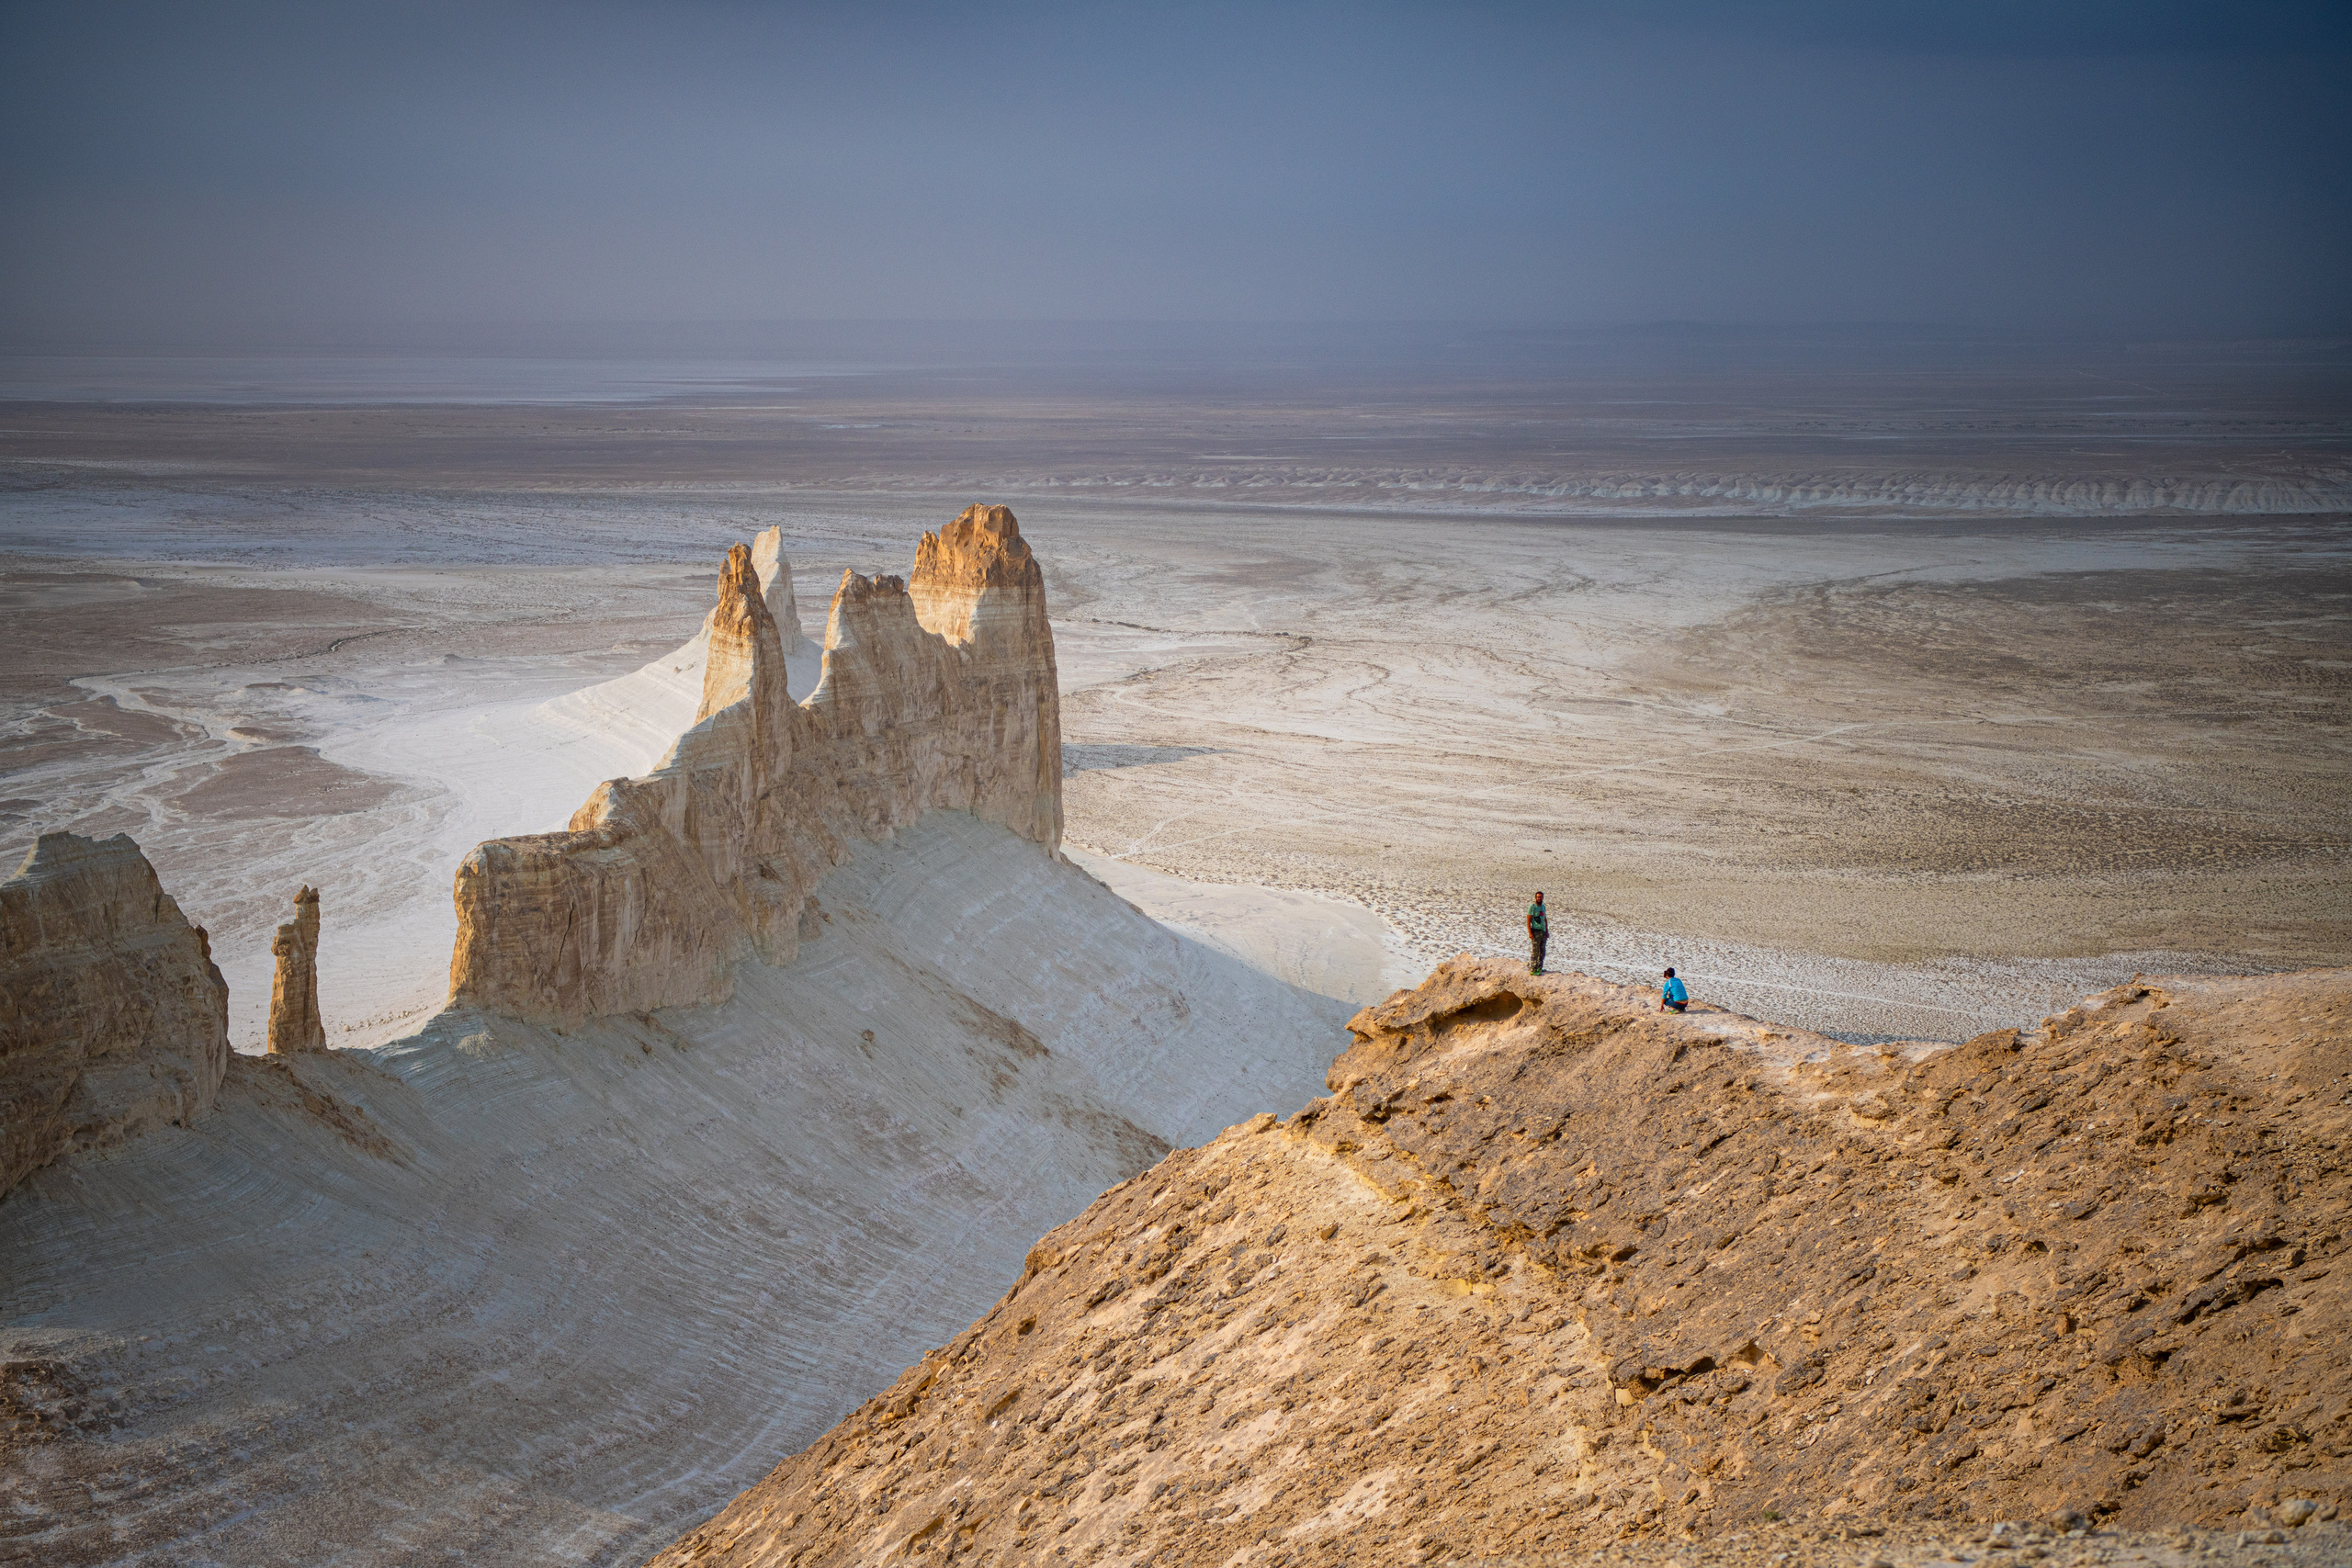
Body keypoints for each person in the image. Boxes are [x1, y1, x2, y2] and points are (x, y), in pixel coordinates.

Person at [1526, 892, 1549, 975]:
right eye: (1538, 897)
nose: (1539, 898)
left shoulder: (1543, 907)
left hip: (1542, 931)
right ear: (1535, 898)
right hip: (1535, 931)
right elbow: (1528, 920)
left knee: (1542, 951)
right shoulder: (1532, 907)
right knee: (1535, 951)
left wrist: (1546, 931)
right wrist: (1530, 933)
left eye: (1541, 897)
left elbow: (1545, 920)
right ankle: (1533, 969)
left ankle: (1539, 968)